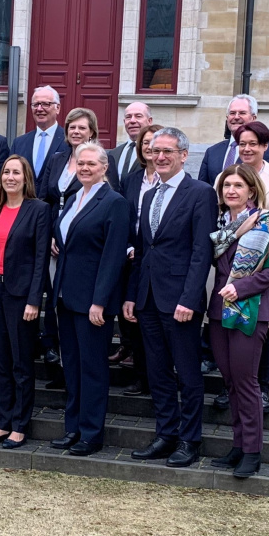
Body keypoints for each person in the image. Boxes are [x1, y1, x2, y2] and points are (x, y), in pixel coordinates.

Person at [123, 127, 218, 468]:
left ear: (183, 156)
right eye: (155, 151)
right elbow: (145, 250)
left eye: (168, 151)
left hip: (180, 302)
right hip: (148, 299)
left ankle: (190, 440)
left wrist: (190, 299)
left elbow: (200, 252)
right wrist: (133, 295)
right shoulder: (148, 195)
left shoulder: (201, 193)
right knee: (158, 372)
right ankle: (166, 434)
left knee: (188, 374)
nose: (160, 156)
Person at [213, 121, 269, 414]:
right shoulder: (227, 177)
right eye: (242, 144)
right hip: (228, 267)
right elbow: (218, 214)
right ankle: (233, 389)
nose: (247, 149)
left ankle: (260, 388)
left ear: (265, 146)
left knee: (263, 327)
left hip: (261, 265)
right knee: (227, 332)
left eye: (254, 143)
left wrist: (264, 236)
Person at [208, 164, 269, 478]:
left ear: (251, 190)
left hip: (250, 312)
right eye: (226, 185)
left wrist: (241, 287)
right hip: (217, 313)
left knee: (246, 383)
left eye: (238, 185)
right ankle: (239, 445)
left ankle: (252, 452)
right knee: (230, 382)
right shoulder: (220, 225)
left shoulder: (266, 224)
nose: (231, 190)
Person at [49, 143, 129, 456]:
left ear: (104, 167)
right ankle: (73, 429)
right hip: (66, 297)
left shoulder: (114, 202)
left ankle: (91, 433)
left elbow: (112, 258)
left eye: (91, 164)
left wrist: (100, 301)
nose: (84, 168)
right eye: (80, 163)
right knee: (72, 367)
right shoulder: (72, 198)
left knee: (93, 369)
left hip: (92, 303)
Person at [37, 107, 120, 383]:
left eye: (82, 127)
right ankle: (56, 353)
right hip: (57, 237)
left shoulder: (105, 184)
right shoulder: (58, 158)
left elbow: (111, 245)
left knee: (89, 355)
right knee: (57, 300)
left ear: (92, 132)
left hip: (87, 249)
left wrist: (100, 301)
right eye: (71, 127)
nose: (75, 131)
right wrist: (50, 234)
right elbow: (44, 198)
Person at [0, 155, 50, 449]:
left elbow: (41, 257)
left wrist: (35, 300)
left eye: (16, 172)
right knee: (2, 363)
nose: (10, 177)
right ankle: (2, 423)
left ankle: (20, 425)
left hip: (21, 298)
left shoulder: (38, 210)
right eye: (6, 172)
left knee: (21, 363)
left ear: (25, 177)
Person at [114, 124, 163, 396]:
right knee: (130, 320)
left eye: (154, 143)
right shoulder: (132, 180)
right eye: (145, 143)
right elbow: (124, 217)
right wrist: (129, 247)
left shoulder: (171, 180)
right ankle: (139, 375)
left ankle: (154, 379)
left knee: (151, 325)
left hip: (157, 261)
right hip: (131, 259)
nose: (149, 148)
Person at [197, 94, 269, 185]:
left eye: (242, 113)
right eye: (232, 113)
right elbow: (202, 188)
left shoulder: (267, 148)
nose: (236, 117)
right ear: (227, 118)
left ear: (253, 118)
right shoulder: (212, 152)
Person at [10, 85, 66, 194]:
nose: (39, 109)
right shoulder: (19, 143)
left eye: (45, 104)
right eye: (35, 104)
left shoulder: (68, 141)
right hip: (25, 206)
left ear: (57, 108)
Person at [110, 102, 152, 181]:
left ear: (149, 121)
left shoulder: (154, 152)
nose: (132, 121)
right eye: (128, 117)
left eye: (138, 116)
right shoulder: (113, 153)